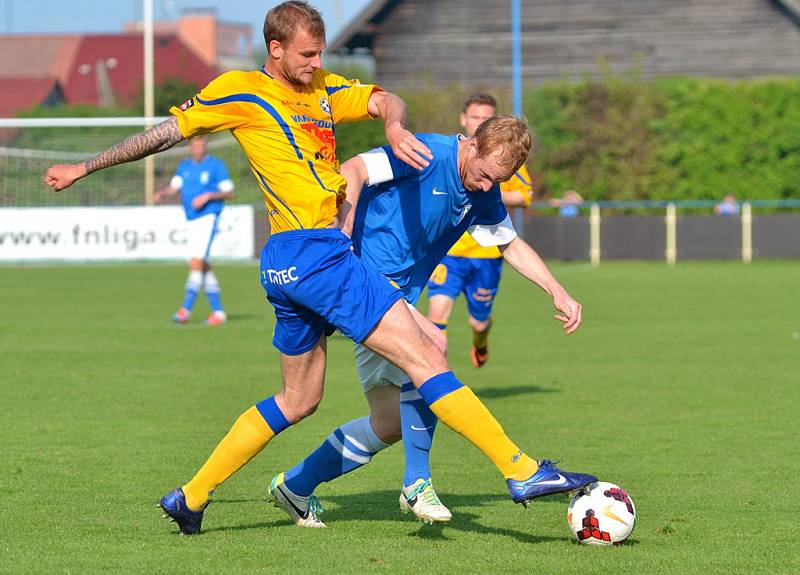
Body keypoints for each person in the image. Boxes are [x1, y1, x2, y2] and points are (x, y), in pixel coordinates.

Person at [43, 1, 593, 536]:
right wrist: (84, 167)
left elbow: (384, 99)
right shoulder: (241, 90)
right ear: (275, 49)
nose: (316, 63)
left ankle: (190, 497)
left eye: (320, 52)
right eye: (306, 54)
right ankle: (519, 471)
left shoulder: (324, 87)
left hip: (285, 263)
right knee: (428, 349)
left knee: (299, 400)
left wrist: (395, 125)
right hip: (316, 251)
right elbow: (164, 133)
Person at [269, 116, 594, 528]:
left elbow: (508, 244)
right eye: (484, 174)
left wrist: (556, 290)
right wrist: (342, 232)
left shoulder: (484, 191)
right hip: (361, 282)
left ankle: (295, 485)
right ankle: (458, 477)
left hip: (396, 297)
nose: (486, 186)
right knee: (433, 348)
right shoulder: (424, 153)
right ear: (472, 145)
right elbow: (353, 168)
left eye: (499, 180)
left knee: (388, 424)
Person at [426, 93, 534, 368]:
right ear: (464, 119)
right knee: (436, 312)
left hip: (486, 255)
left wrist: (488, 194)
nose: (479, 122)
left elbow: (525, 196)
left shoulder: (502, 162)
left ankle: (481, 339)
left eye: (486, 118)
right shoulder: (448, 156)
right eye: (475, 117)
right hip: (450, 252)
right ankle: (436, 377)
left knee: (479, 319)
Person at [153, 136, 234, 326]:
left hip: (208, 217)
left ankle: (185, 310)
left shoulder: (215, 166)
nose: (199, 148)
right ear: (190, 147)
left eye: (202, 145)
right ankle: (218, 313)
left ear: (206, 146)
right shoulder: (184, 167)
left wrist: (209, 195)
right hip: (192, 219)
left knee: (196, 262)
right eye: (195, 145)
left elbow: (230, 192)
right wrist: (162, 193)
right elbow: (175, 187)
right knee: (203, 265)